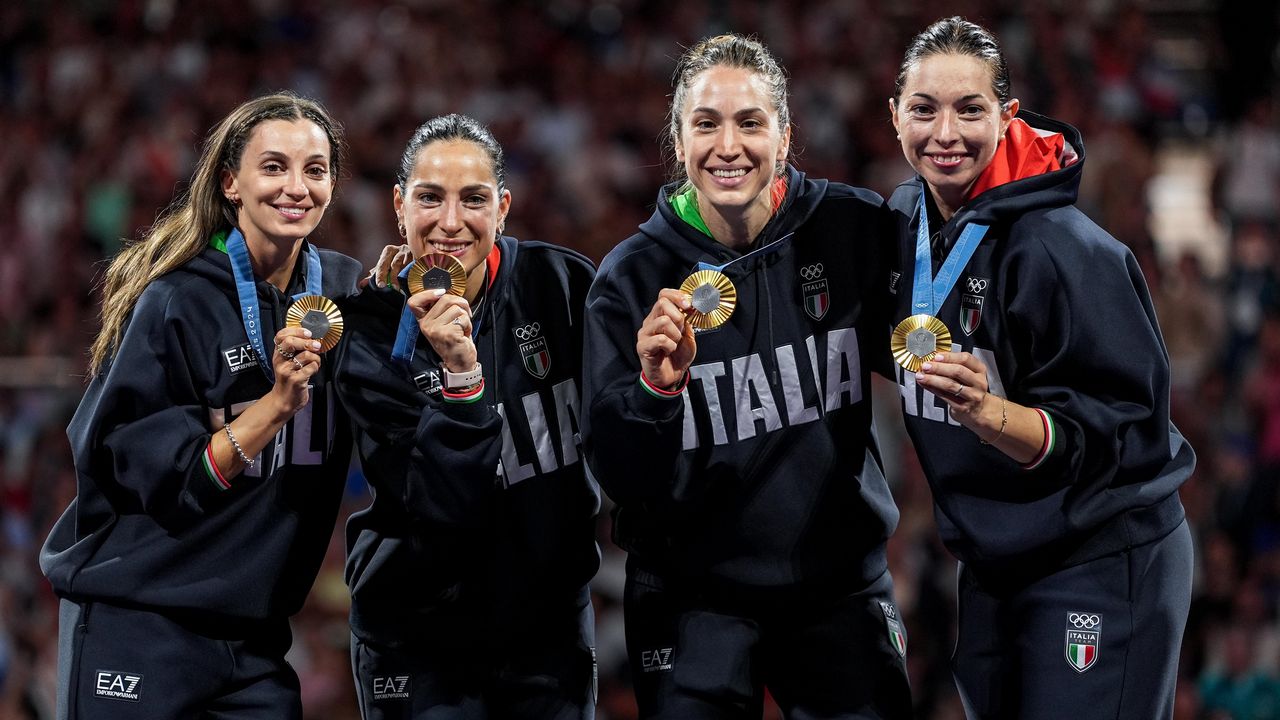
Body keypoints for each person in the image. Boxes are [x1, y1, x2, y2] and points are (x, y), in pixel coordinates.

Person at [582, 34, 911, 719]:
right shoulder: (630, 280)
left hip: (838, 587)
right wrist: (655, 392)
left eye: (749, 122)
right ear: (677, 142)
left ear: (785, 137)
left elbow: (926, 347)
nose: (727, 146)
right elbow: (619, 474)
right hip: (690, 601)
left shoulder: (850, 228)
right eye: (705, 124)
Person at [885, 17, 1195, 719]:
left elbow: (1127, 439)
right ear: (895, 114)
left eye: (970, 110)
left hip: (1100, 553)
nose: (946, 133)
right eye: (924, 109)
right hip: (995, 561)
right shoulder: (904, 223)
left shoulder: (1065, 249)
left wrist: (992, 415)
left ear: (1007, 115)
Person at [40, 92, 361, 719]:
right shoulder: (174, 302)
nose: (296, 186)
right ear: (230, 183)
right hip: (141, 622)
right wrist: (273, 407)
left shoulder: (348, 298)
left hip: (257, 644)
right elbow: (161, 477)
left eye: (315, 170)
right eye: (273, 167)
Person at [334, 114, 600, 719]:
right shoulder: (370, 336)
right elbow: (448, 503)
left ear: (503, 207)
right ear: (399, 205)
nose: (450, 223)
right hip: (419, 640)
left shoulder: (560, 287)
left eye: (473, 199)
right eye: (430, 198)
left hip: (548, 636)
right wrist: (462, 378)